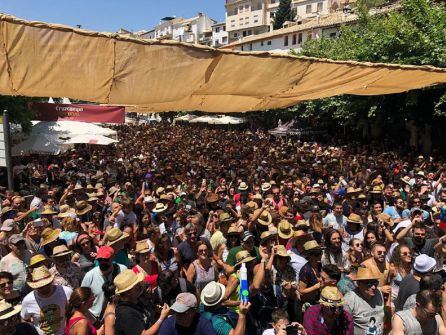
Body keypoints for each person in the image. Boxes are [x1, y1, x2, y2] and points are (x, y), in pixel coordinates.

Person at [114, 269, 170, 335]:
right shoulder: (127, 314)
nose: (140, 286)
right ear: (129, 292)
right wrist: (161, 318)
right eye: (137, 285)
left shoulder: (136, 303)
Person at [21, 265, 73, 335]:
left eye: (47, 284)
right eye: (40, 287)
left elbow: (72, 312)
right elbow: (24, 319)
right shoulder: (28, 300)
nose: (44, 288)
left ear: (51, 281)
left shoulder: (66, 292)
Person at [81, 246, 127, 319]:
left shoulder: (123, 270)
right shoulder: (89, 276)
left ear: (113, 257)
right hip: (96, 320)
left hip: (119, 316)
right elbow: (82, 300)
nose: (102, 262)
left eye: (106, 259)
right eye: (100, 260)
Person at [343, 267, 385, 335]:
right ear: (359, 284)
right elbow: (345, 326)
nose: (373, 287)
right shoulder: (350, 299)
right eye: (369, 284)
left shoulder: (378, 293)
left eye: (375, 283)